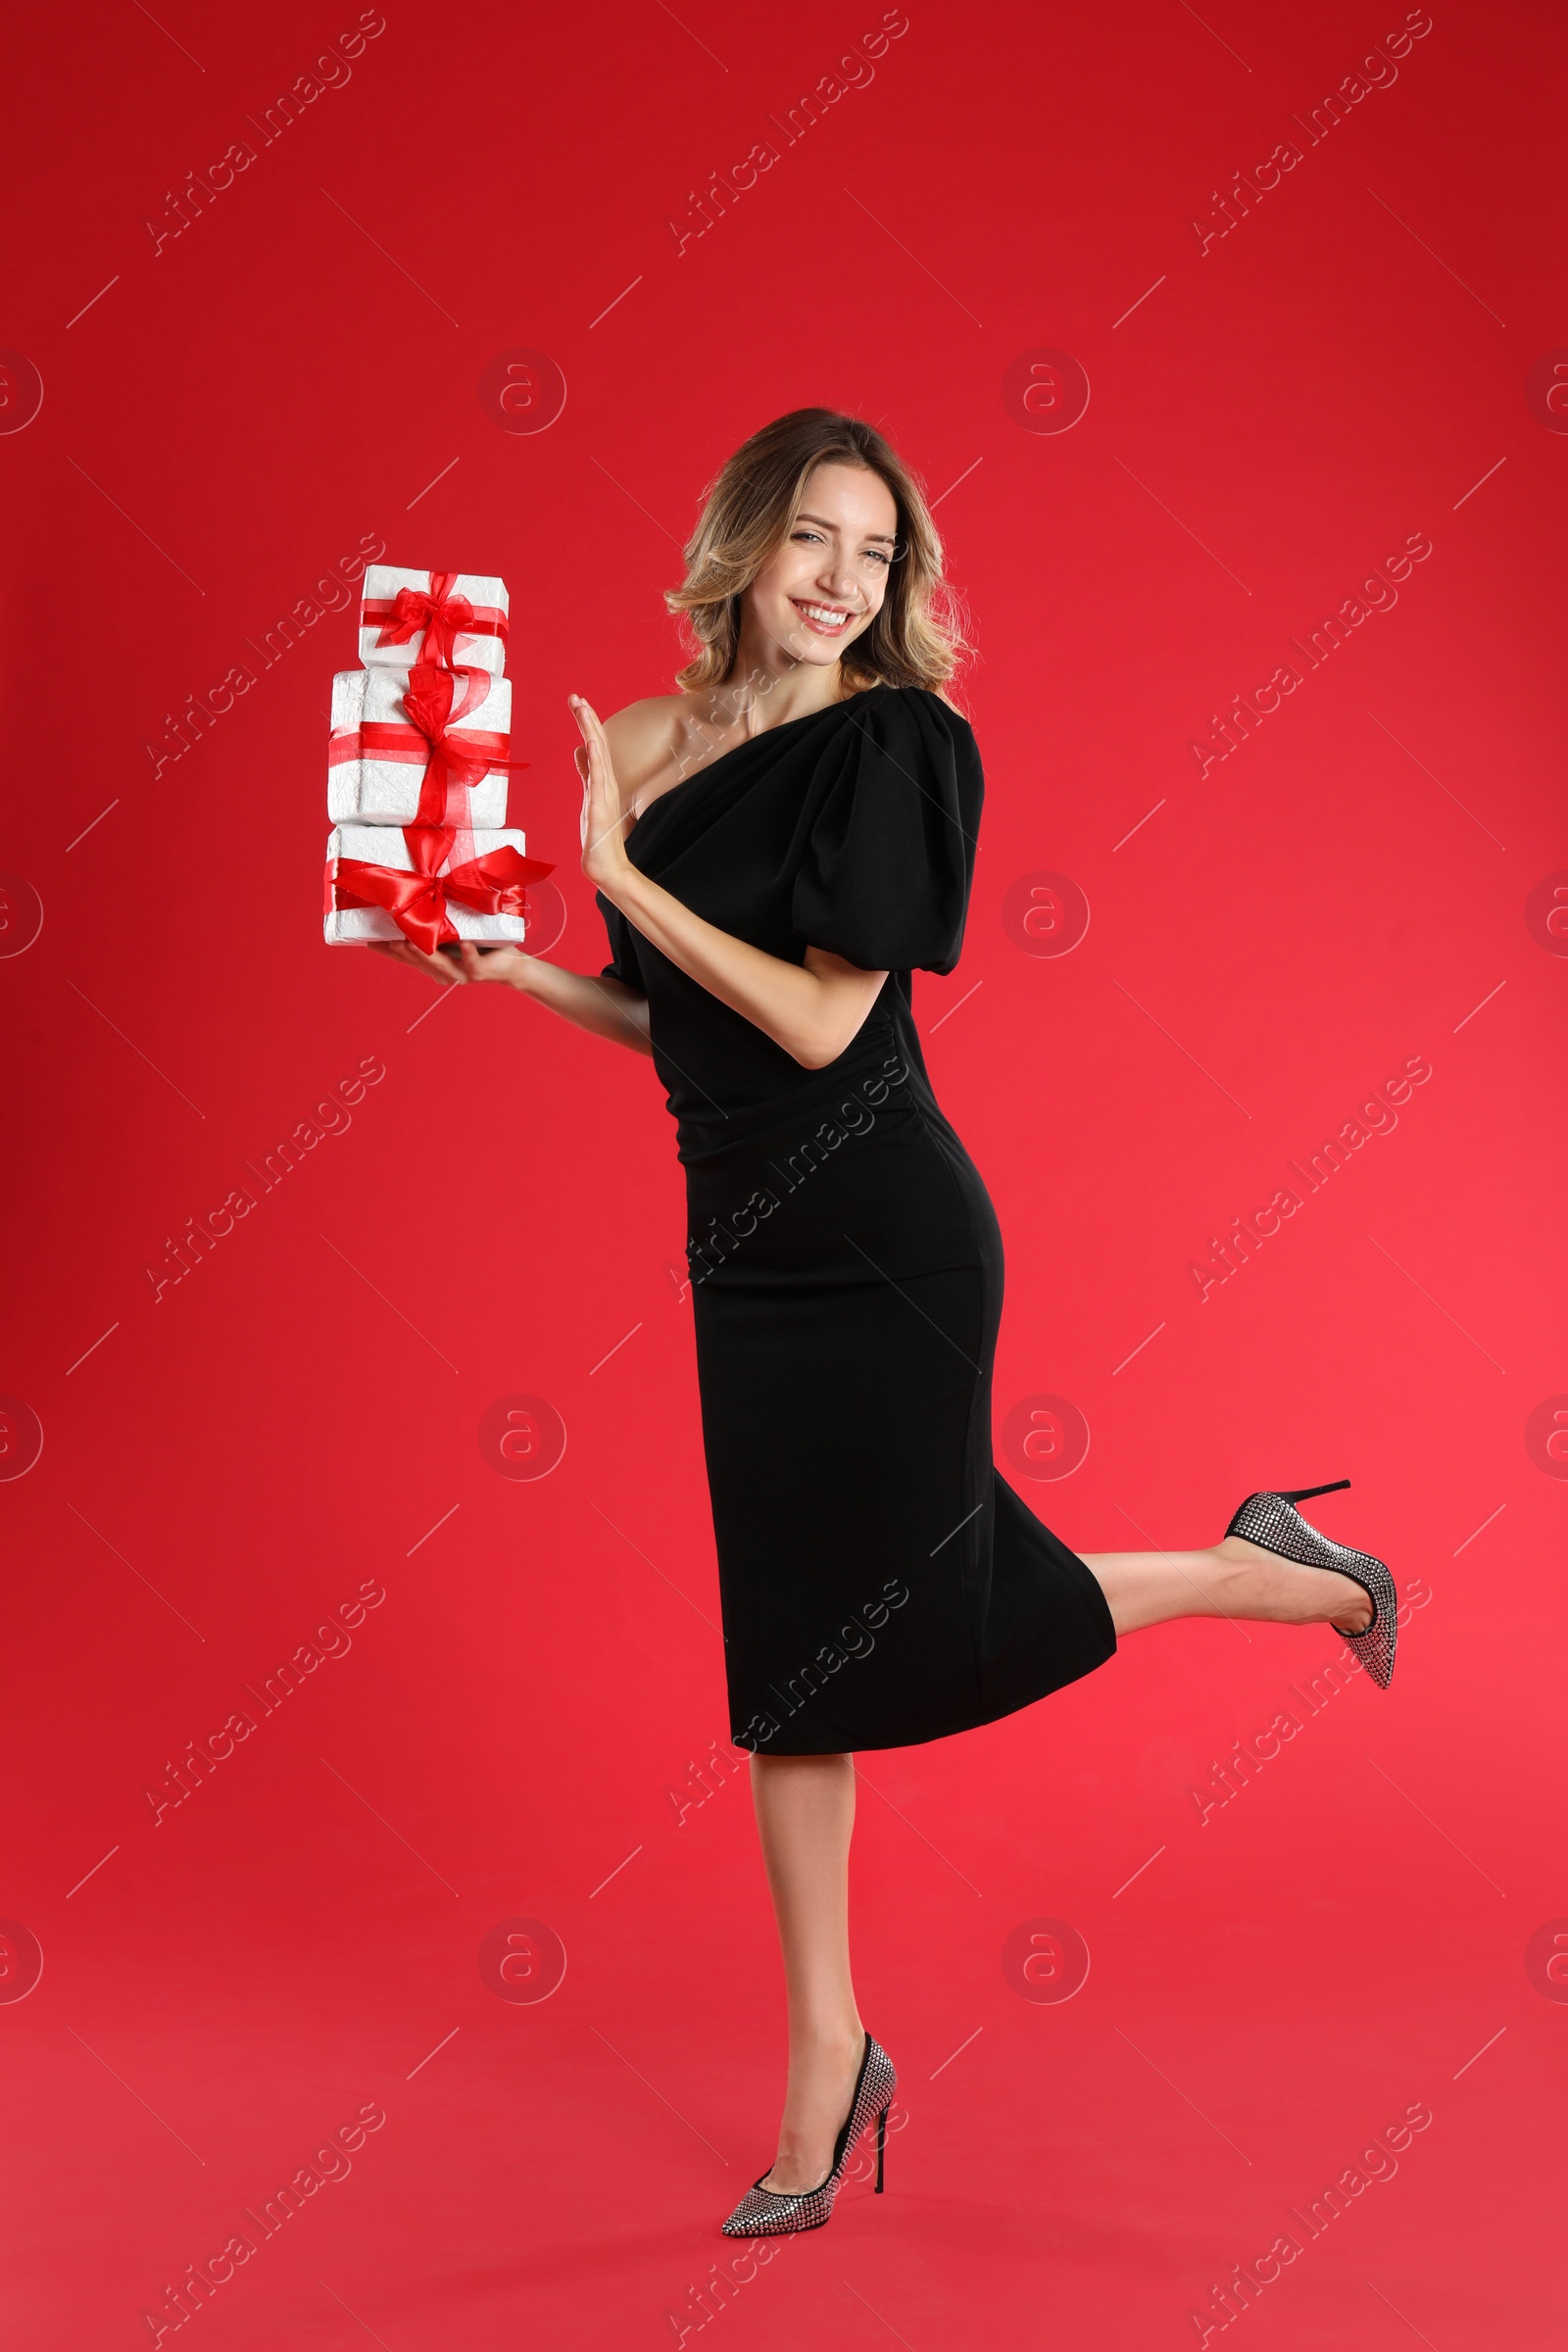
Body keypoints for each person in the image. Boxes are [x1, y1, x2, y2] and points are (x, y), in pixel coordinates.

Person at [372, 408, 1396, 2238]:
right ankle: (832, 2055)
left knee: (907, 1622)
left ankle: (1286, 1576)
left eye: (881, 553)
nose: (848, 583)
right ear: (744, 550)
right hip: (741, 1256)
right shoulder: (647, 739)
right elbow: (678, 1027)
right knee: (794, 1665)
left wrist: (611, 883)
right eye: (816, 543)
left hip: (892, 1231)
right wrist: (518, 961)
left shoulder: (902, 744)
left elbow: (828, 1028)